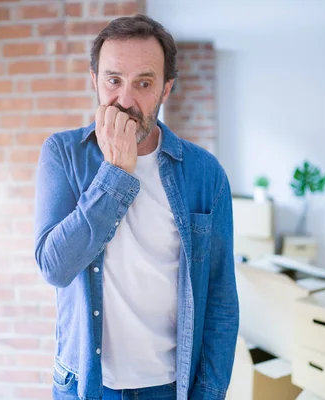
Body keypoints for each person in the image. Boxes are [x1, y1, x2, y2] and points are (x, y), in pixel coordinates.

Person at [33, 14, 239, 400]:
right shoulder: (62, 155)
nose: (125, 101)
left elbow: (221, 301)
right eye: (113, 80)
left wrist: (208, 394)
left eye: (143, 83)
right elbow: (54, 267)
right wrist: (115, 173)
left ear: (166, 89)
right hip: (86, 386)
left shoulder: (206, 174)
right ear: (94, 80)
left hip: (170, 387)